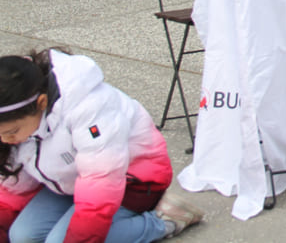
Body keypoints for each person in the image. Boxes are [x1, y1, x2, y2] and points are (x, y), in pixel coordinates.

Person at [0, 48, 204, 241]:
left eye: (11, 132)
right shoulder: (13, 123)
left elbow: (99, 187)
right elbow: (14, 186)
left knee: (59, 240)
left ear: (42, 103)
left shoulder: (89, 109)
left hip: (129, 181)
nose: (5, 140)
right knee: (21, 236)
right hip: (68, 181)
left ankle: (162, 221)